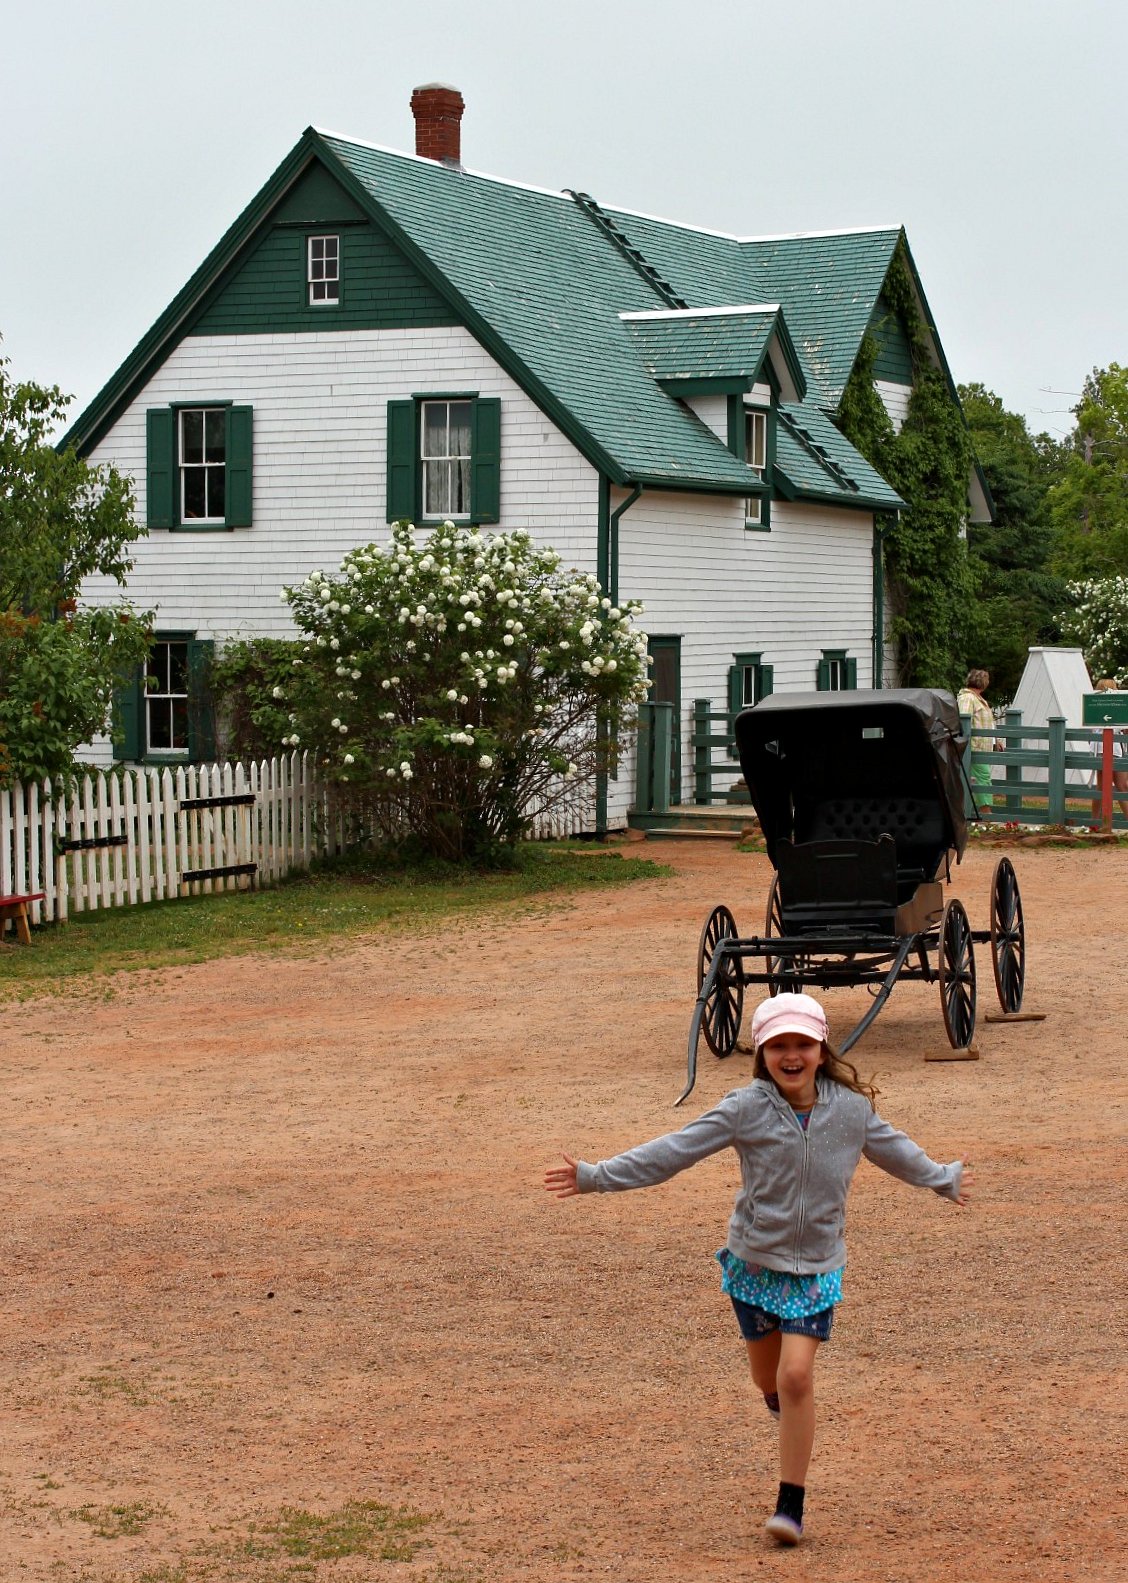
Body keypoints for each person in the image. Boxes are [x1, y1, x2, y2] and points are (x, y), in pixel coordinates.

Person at [544, 992, 973, 1548]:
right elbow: (674, 1150)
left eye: (802, 1044)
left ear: (822, 1049)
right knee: (768, 1380)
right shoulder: (744, 1108)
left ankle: (790, 1506)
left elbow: (896, 1151)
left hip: (817, 1268)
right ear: (762, 1053)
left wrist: (942, 1178)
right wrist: (595, 1176)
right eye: (778, 1046)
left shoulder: (851, 1111)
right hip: (753, 1264)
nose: (791, 1056)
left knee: (796, 1377)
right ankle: (778, 1403)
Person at [1089, 678, 1128, 824]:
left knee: (1120, 785)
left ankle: (1094, 821)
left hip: (1113, 747)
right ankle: (1095, 822)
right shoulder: (1103, 708)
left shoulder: (1096, 708)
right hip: (1105, 748)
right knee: (1107, 786)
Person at [957, 668, 997, 808]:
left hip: (982, 747)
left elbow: (987, 723)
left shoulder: (977, 699)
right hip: (974, 747)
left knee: (980, 779)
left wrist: (996, 740)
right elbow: (963, 720)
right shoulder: (968, 698)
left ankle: (977, 812)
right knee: (983, 779)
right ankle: (986, 814)